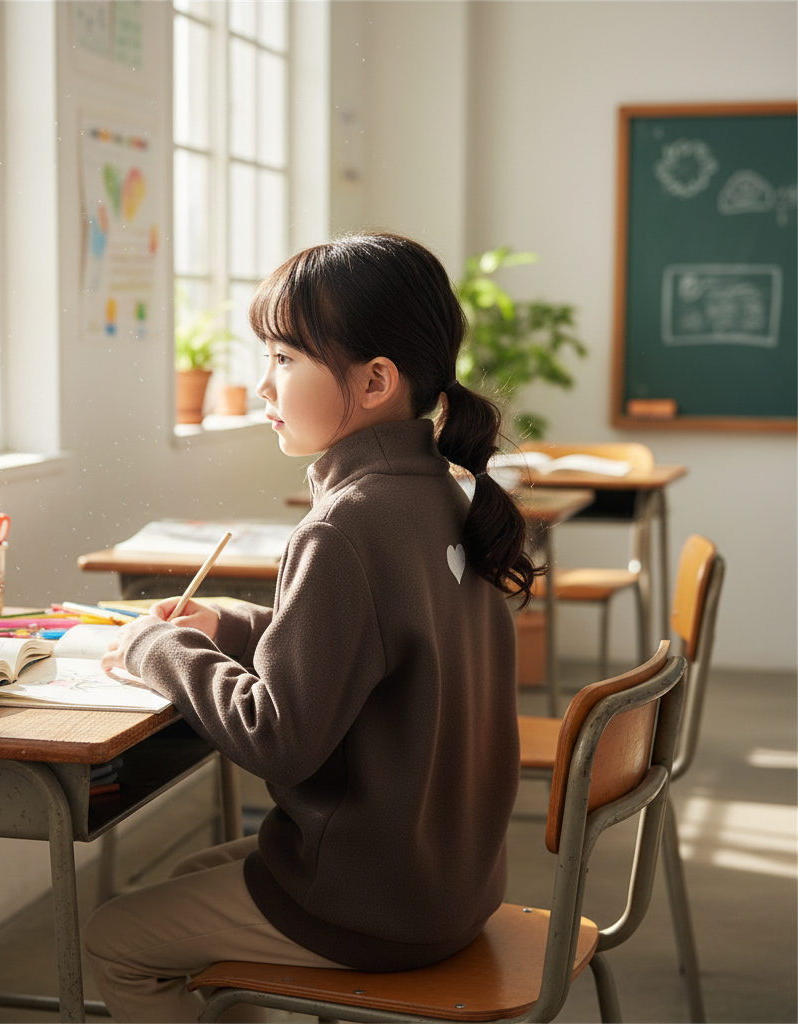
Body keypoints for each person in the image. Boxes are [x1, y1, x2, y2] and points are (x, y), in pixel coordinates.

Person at [84, 233, 540, 1023]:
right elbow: (377, 653)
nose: (262, 384)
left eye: (287, 359)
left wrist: (158, 648)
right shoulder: (441, 495)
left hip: (375, 904)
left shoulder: (346, 526)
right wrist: (229, 622)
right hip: (452, 881)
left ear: (373, 382)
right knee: (195, 869)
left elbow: (276, 737)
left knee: (114, 938)